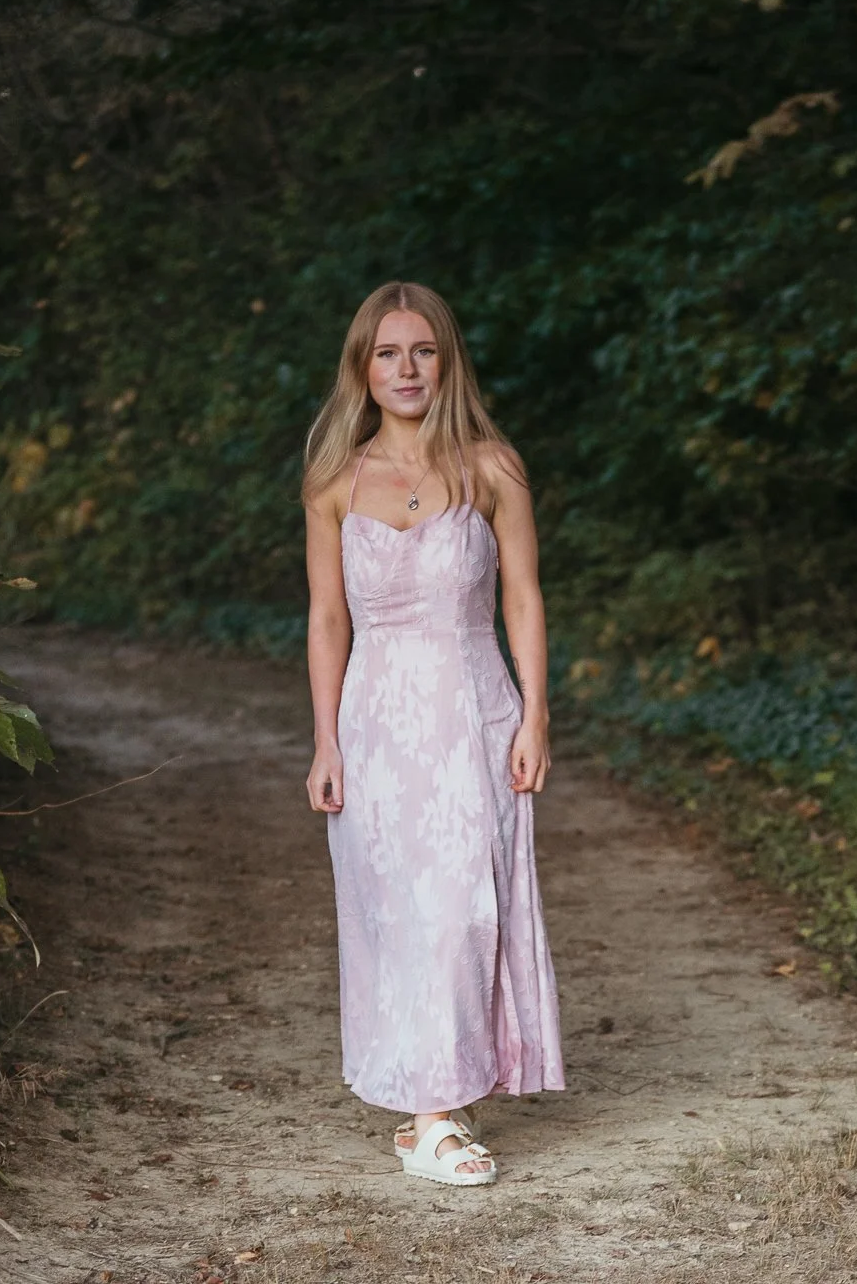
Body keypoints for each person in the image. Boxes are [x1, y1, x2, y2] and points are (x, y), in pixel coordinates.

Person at [301, 281, 564, 1186]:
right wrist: (326, 740)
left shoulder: (493, 467)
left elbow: (523, 596)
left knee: (461, 911)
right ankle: (428, 1113)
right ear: (362, 368)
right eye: (386, 353)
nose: (405, 369)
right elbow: (327, 619)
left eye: (422, 351)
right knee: (395, 918)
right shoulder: (335, 482)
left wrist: (535, 710)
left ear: (446, 361)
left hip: (472, 714)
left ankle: (437, 1113)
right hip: (374, 723)